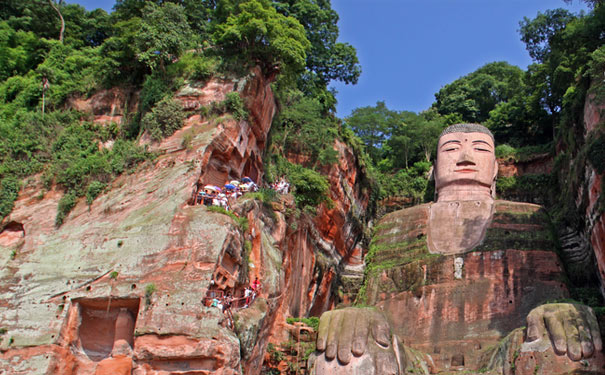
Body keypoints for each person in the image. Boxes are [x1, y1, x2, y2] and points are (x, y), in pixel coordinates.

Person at [310, 123, 604, 375]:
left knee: (563, 343)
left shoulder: (527, 217)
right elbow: (372, 306)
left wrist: (561, 311)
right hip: (409, 356)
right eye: (451, 149)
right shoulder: (395, 224)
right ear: (434, 170)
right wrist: (357, 316)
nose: (465, 157)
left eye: (480, 149)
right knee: (350, 354)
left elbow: (550, 301)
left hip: (509, 350)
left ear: (496, 169)